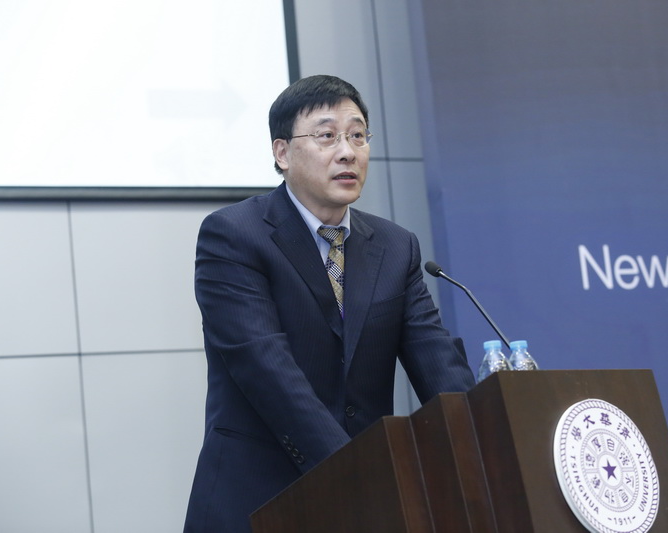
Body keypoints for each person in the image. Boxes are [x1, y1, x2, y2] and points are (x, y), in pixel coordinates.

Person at [183, 74, 475, 532]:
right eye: (327, 136)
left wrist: (483, 441)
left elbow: (437, 364)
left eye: (357, 136)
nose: (347, 152)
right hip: (258, 500)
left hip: (367, 505)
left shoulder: (396, 247)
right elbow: (269, 371)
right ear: (282, 153)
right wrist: (362, 473)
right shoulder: (234, 236)